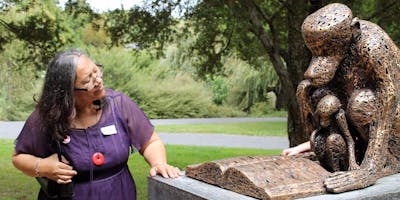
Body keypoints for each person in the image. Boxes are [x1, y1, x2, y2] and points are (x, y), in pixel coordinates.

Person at [12, 49, 182, 200]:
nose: (98, 80)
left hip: (119, 193)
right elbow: (19, 157)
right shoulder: (46, 117)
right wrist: (41, 166)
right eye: (87, 81)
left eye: (96, 71)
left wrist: (159, 163)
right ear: (67, 92)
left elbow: (150, 141)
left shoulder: (119, 104)